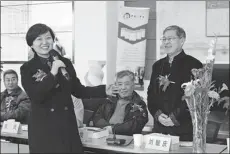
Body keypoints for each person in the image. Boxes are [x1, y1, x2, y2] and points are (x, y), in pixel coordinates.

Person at [20, 23, 118, 153]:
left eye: (48, 38)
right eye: (39, 39)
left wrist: (104, 90)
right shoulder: (27, 68)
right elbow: (36, 96)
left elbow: (78, 90)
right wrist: (52, 73)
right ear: (31, 44)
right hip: (44, 128)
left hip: (66, 125)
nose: (45, 42)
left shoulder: (64, 62)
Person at [147, 25, 203, 141]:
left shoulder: (194, 65)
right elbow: (151, 94)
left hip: (183, 129)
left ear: (182, 40)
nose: (166, 42)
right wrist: (157, 115)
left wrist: (174, 117)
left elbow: (195, 98)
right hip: (160, 128)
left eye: (170, 39)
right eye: (164, 39)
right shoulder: (157, 66)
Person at [92, 70, 148, 136]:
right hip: (105, 136)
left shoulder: (139, 103)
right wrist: (107, 128)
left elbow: (135, 125)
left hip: (127, 139)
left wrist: (113, 129)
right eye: (120, 84)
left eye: (127, 84)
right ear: (115, 85)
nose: (123, 88)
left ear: (133, 85)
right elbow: (97, 118)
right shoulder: (109, 100)